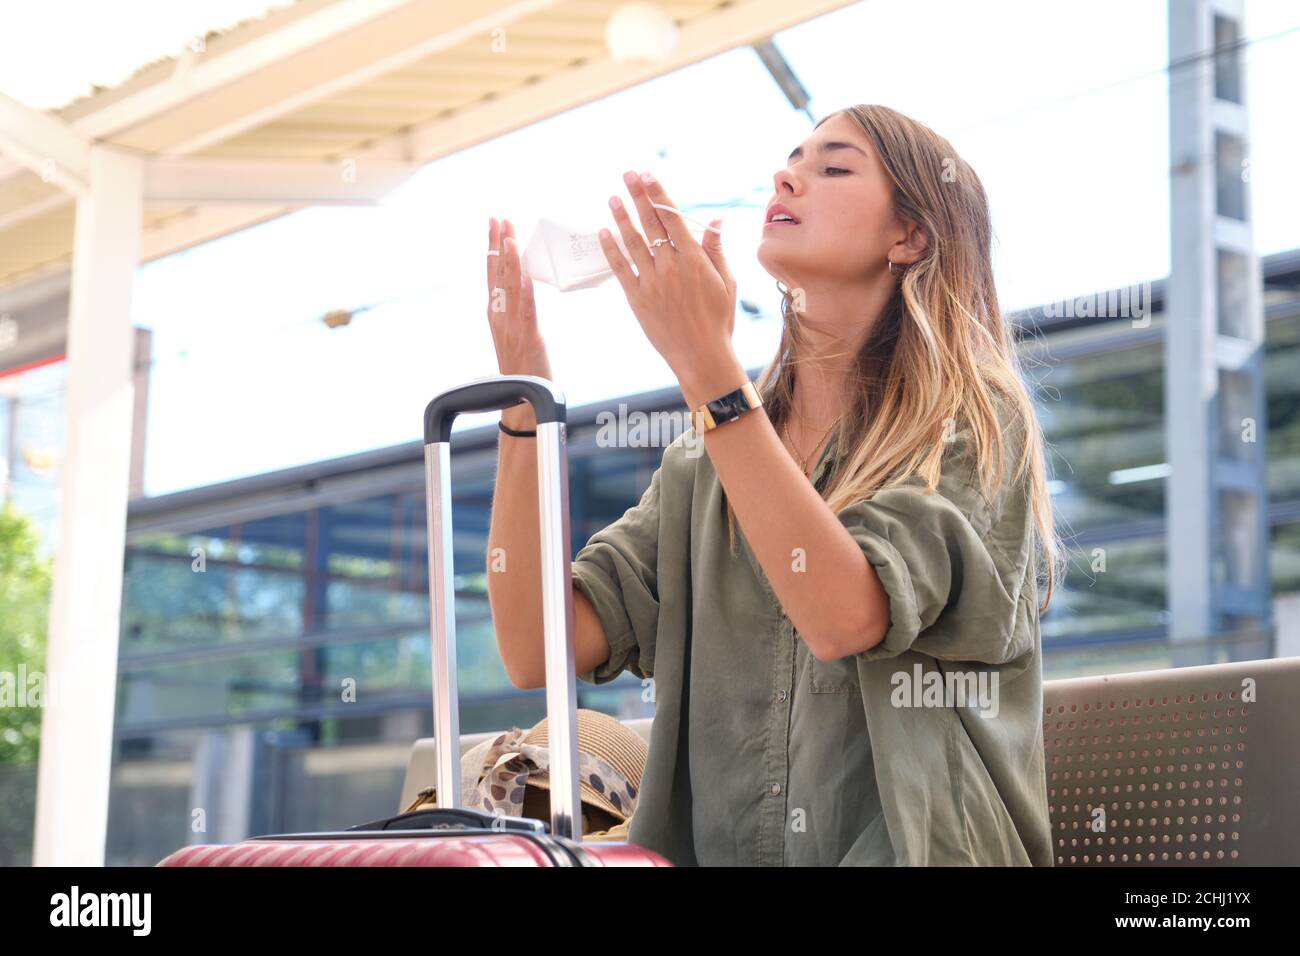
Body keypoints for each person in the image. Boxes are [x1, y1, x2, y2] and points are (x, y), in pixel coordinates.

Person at [483, 104, 1064, 866]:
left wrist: (707, 369)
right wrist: (526, 403)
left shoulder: (972, 421)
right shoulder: (705, 463)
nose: (787, 176)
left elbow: (845, 615)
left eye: (834, 166)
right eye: (793, 159)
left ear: (909, 236)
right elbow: (537, 645)